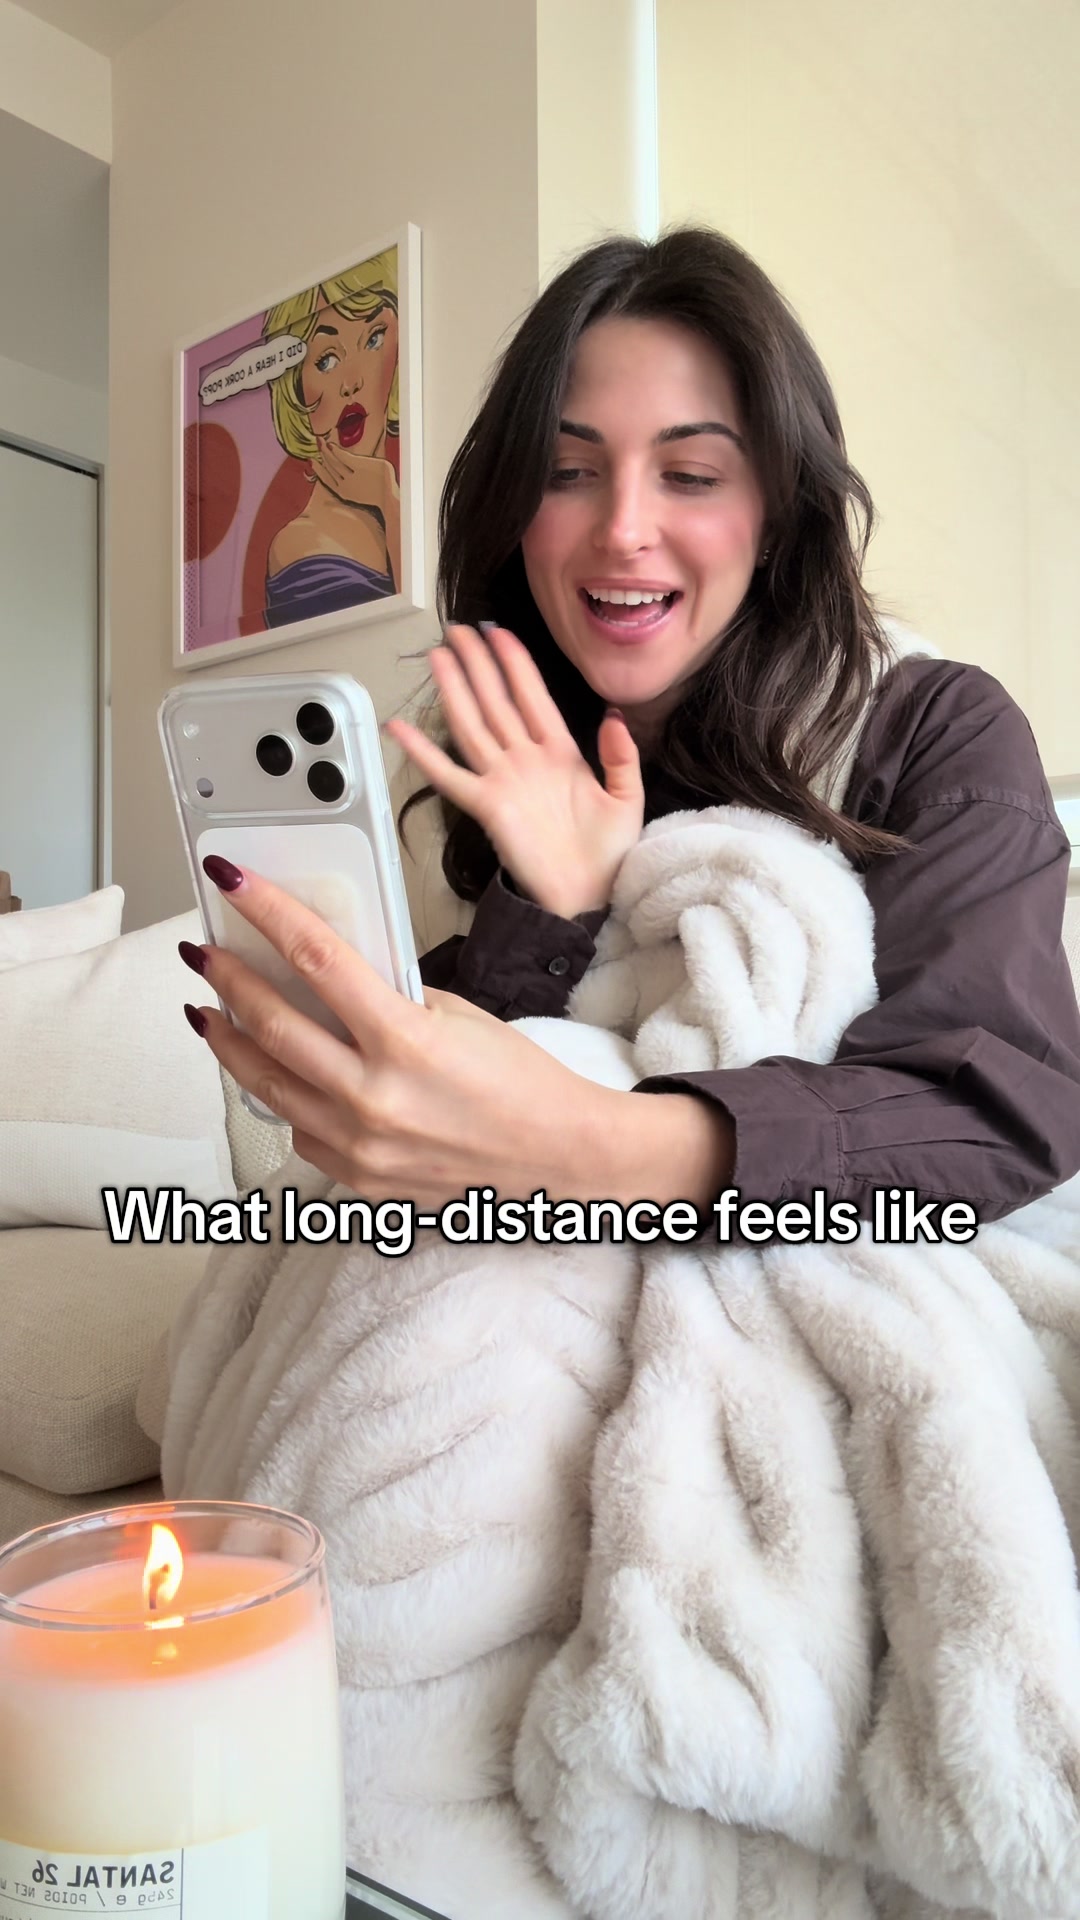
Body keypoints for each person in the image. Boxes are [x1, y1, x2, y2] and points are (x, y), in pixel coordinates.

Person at [180, 227, 1080, 1231]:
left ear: (776, 515)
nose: (622, 530)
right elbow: (418, 1107)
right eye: (567, 473)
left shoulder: (936, 731)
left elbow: (996, 1107)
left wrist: (588, 1150)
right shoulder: (453, 760)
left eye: (690, 475)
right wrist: (553, 907)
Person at [261, 251, 401, 627]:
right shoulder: (300, 545)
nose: (351, 382)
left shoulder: (403, 507)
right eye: (326, 360)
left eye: (374, 339)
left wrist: (388, 499)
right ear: (295, 386)